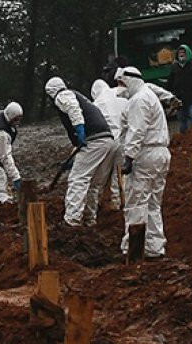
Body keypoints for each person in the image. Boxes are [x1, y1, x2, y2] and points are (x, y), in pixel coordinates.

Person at [44, 77, 119, 227]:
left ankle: (71, 220)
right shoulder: (79, 96)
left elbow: (73, 108)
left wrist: (79, 129)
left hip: (94, 141)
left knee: (78, 179)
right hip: (108, 141)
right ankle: (89, 219)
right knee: (93, 183)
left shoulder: (62, 95)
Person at [115, 67, 171, 259]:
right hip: (161, 153)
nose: (119, 88)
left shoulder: (139, 100)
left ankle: (134, 250)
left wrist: (129, 157)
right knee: (153, 204)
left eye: (121, 83)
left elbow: (136, 130)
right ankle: (154, 248)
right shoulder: (148, 94)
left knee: (136, 203)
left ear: (128, 81)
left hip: (145, 154)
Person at [91, 79, 129, 210]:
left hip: (106, 141)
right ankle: (119, 202)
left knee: (100, 175)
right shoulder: (119, 95)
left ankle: (96, 205)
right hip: (123, 139)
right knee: (120, 173)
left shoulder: (95, 104)